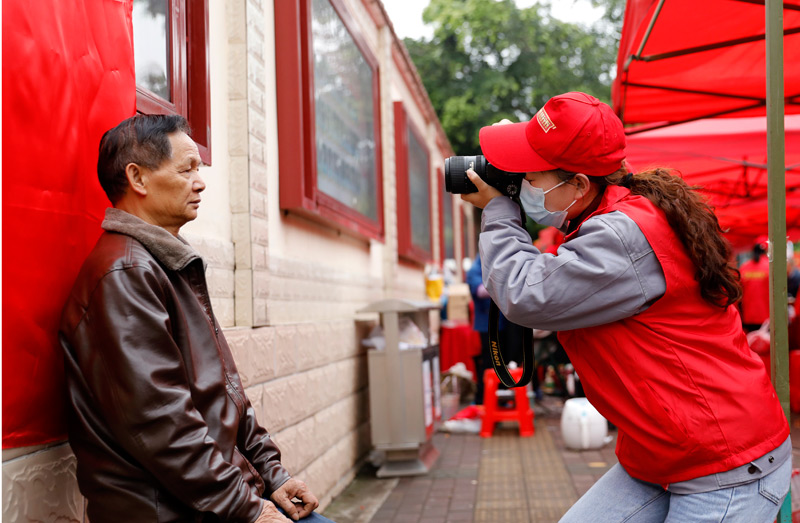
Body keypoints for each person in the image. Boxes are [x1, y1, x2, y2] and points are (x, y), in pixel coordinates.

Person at [461, 92, 790, 522]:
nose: (521, 186)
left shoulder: (622, 235)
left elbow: (526, 295)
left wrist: (499, 212)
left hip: (724, 464)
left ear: (578, 184)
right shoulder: (610, 217)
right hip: (662, 455)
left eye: (530, 177)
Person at [59, 114, 331, 523]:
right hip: (170, 510)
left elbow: (226, 393)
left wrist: (273, 477)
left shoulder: (162, 261)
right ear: (138, 178)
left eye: (198, 170)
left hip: (211, 503)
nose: (200, 182)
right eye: (187, 169)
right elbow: (162, 427)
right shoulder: (126, 273)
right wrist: (249, 509)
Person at [739, 236, 771, 331]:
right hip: (767, 316)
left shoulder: (744, 267)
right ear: (767, 250)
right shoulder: (770, 267)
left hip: (748, 316)